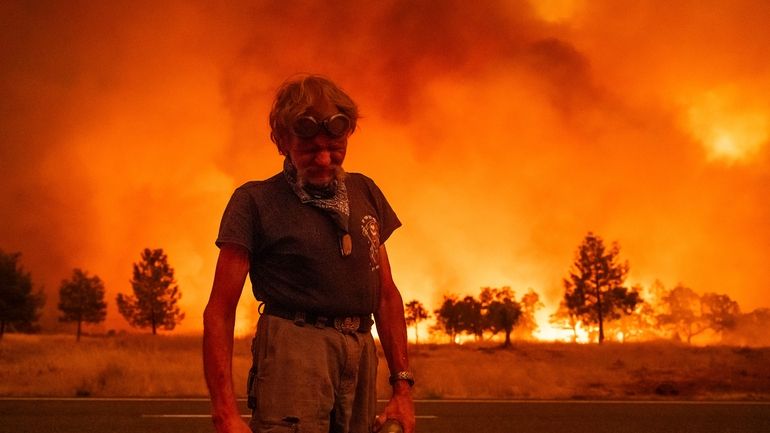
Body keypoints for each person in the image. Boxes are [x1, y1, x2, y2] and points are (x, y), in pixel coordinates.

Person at [203, 74, 415, 433]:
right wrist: (225, 411)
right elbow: (220, 311)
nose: (323, 159)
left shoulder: (366, 192)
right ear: (281, 140)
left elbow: (387, 295)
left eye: (335, 148)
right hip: (293, 352)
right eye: (309, 149)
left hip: (361, 352)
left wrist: (402, 389)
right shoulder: (254, 201)